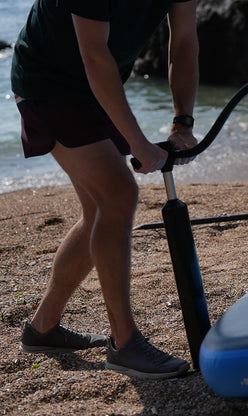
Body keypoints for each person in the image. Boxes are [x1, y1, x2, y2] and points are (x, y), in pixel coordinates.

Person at [11, 0, 199, 379]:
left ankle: (42, 327)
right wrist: (139, 142)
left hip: (95, 82)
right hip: (49, 81)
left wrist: (183, 122)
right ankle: (125, 343)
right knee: (118, 194)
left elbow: (183, 42)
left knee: (101, 207)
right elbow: (94, 53)